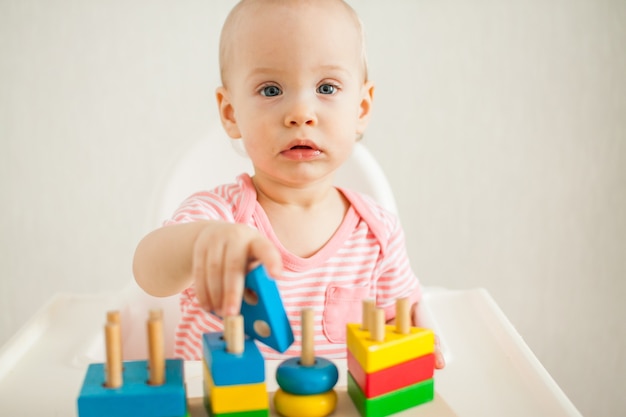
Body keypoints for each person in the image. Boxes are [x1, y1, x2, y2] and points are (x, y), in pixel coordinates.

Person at [133, 0, 444, 368]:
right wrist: (203, 242)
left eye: (326, 88)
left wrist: (418, 340)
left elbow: (402, 321)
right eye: (270, 90)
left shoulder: (378, 233)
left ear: (361, 109)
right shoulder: (218, 217)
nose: (300, 114)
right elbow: (148, 272)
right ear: (231, 113)